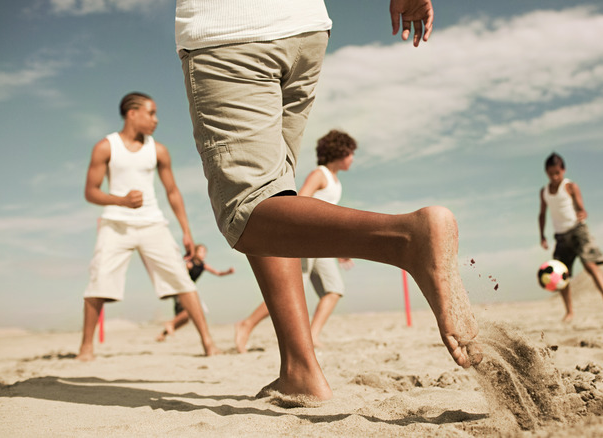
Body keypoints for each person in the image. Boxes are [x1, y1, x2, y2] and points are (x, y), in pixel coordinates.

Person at [175, 0, 481, 401]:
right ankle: (299, 371)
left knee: (247, 211)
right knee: (274, 195)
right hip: (304, 30)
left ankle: (404, 239)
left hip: (230, 31)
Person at [78, 92, 220, 361]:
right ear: (132, 113)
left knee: (181, 280)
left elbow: (173, 191)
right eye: (151, 113)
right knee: (98, 281)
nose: (156, 119)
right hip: (115, 224)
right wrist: (120, 200)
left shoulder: (159, 150)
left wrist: (186, 232)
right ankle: (86, 347)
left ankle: (208, 343)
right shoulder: (105, 147)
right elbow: (90, 192)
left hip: (153, 224)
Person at [235, 130, 357, 353]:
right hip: (305, 240)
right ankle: (247, 324)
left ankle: (312, 336)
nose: (353, 158)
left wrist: (338, 248)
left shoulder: (336, 181)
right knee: (287, 291)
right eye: (351, 153)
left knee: (334, 289)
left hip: (322, 245)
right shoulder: (319, 174)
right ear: (340, 151)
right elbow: (301, 202)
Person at [538, 153, 603, 322]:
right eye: (551, 173)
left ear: (563, 170)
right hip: (560, 237)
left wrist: (583, 212)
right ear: (546, 172)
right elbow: (542, 214)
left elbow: (581, 208)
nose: (554, 177)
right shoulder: (544, 192)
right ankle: (569, 312)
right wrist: (542, 236)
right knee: (561, 275)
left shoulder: (570, 187)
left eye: (557, 173)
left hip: (577, 231)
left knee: (590, 265)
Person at [156, 244, 235, 342]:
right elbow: (178, 274)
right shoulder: (189, 264)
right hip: (181, 290)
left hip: (189, 290)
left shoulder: (203, 265)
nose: (203, 254)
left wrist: (228, 272)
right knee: (190, 311)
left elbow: (218, 273)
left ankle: (163, 334)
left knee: (185, 319)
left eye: (205, 252)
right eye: (201, 251)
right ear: (195, 252)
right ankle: (170, 323)